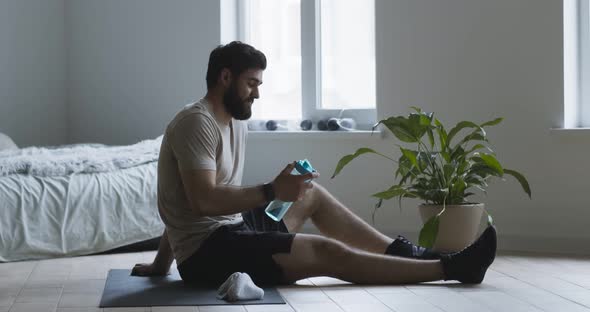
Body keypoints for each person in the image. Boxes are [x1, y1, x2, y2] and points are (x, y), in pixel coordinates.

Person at [132, 41, 496, 286]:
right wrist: (273, 190)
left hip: (234, 230)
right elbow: (201, 202)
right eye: (251, 83)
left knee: (310, 194)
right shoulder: (196, 122)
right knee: (324, 251)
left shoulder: (232, 119)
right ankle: (451, 268)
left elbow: (176, 198)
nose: (257, 92)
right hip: (207, 256)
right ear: (225, 77)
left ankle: (408, 254)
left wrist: (161, 264)